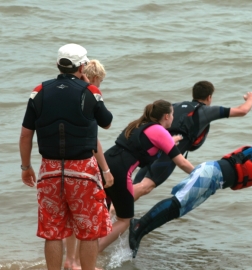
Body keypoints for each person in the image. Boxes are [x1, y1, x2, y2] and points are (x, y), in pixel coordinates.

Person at [129, 123, 252, 258]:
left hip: (214, 185)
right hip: (211, 172)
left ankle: (141, 232)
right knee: (177, 201)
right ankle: (138, 225)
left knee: (177, 211)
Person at [19, 44, 113, 270]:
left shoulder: (39, 91)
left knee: (52, 231)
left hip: (49, 170)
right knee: (89, 231)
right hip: (83, 172)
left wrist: (25, 166)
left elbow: (25, 135)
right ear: (82, 66)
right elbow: (107, 122)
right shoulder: (90, 91)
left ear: (58, 65)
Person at [133, 81, 252, 201]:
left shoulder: (174, 107)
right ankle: (114, 213)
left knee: (137, 186)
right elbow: (242, 111)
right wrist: (251, 99)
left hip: (153, 151)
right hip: (169, 155)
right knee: (145, 187)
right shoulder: (206, 111)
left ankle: (117, 214)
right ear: (209, 97)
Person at [97, 99, 195, 252]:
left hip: (103, 165)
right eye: (172, 114)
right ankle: (92, 254)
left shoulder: (138, 124)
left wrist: (170, 140)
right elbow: (181, 162)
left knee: (102, 213)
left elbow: (146, 144)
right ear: (166, 116)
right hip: (120, 172)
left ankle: (77, 255)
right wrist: (199, 174)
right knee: (124, 220)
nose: (174, 117)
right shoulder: (160, 131)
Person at [63, 59, 113, 270]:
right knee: (85, 218)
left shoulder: (67, 97)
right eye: (99, 82)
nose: (99, 87)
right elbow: (95, 141)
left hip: (60, 163)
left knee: (70, 217)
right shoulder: (89, 98)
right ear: (92, 78)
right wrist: (106, 170)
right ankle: (80, 264)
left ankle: (70, 260)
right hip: (82, 166)